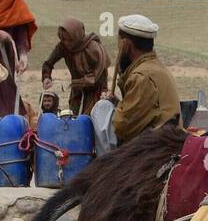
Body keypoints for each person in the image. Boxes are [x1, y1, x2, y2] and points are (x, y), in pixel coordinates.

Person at [110, 15, 179, 144]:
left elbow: (123, 127)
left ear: (126, 45)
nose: (118, 49)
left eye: (119, 43)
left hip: (157, 149)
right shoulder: (154, 67)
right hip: (162, 143)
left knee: (101, 109)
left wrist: (113, 108)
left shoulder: (142, 77)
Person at [40, 18, 110, 116]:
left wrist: (104, 90)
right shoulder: (63, 46)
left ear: (77, 36)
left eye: (70, 40)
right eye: (64, 40)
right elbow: (48, 63)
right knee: (73, 118)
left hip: (95, 90)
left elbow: (99, 74)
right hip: (76, 89)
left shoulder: (93, 48)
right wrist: (46, 77)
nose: (67, 43)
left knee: (89, 119)